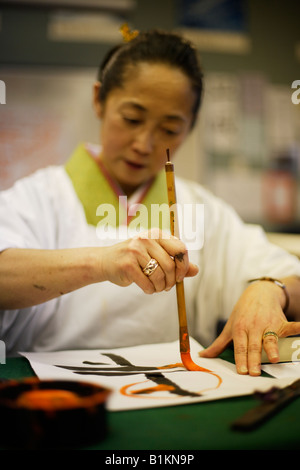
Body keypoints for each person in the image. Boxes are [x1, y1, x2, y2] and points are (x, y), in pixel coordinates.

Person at [0, 29, 300, 377]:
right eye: (131, 119)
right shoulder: (38, 197)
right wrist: (101, 262)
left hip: (177, 388)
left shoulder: (202, 209)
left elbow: (291, 275)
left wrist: (271, 289)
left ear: (190, 128)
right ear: (99, 100)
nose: (144, 144)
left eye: (170, 129)